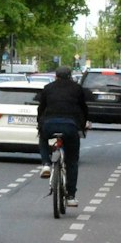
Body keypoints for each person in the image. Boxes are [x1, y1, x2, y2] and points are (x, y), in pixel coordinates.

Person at [36, 65, 89, 206]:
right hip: (70, 126)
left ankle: (46, 163)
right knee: (72, 161)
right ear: (70, 76)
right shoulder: (77, 89)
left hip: (49, 124)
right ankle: (71, 196)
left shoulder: (48, 88)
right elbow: (84, 108)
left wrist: (40, 124)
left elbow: (41, 108)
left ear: (56, 76)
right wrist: (83, 125)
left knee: (42, 138)